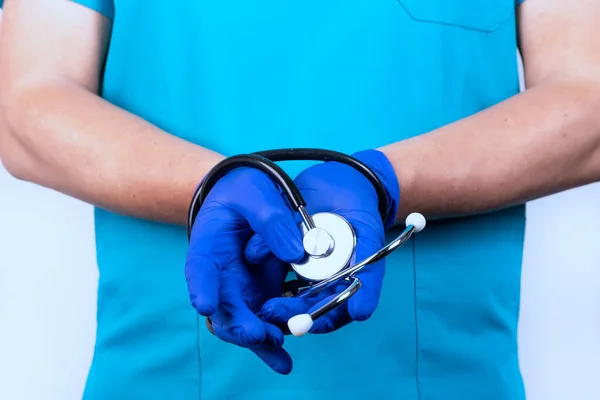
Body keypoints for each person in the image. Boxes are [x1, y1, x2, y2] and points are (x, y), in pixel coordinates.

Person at [1, 0, 600, 399]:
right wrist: (214, 188)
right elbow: (27, 105)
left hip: (444, 379)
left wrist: (387, 178)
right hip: (164, 376)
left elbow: (588, 102)